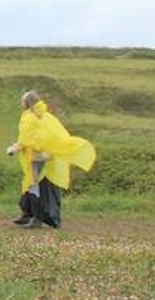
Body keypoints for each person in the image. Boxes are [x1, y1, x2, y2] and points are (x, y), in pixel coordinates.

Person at [6, 90, 96, 228]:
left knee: (32, 185)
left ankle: (36, 218)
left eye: (22, 101)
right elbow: (58, 134)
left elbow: (26, 140)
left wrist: (13, 149)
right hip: (47, 156)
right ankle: (28, 214)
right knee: (35, 185)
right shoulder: (47, 117)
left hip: (36, 157)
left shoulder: (29, 118)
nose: (20, 103)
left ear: (27, 103)